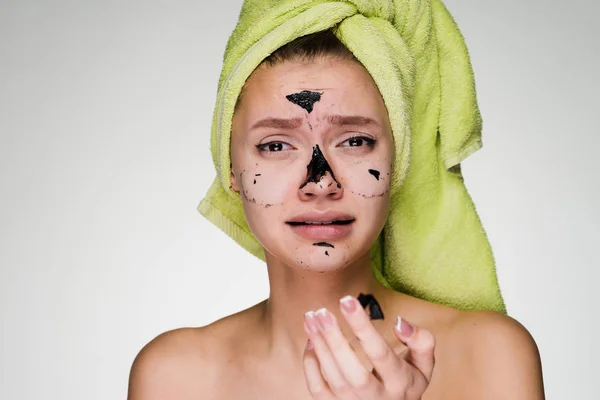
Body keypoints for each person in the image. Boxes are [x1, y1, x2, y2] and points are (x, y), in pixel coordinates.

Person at [127, 3, 545, 400]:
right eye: (275, 145)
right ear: (230, 171)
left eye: (355, 141)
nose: (320, 182)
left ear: (397, 162)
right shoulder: (175, 376)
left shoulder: (490, 354)